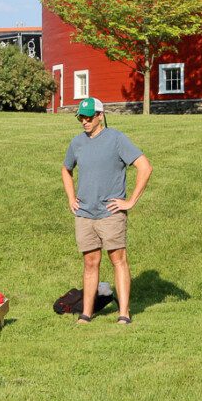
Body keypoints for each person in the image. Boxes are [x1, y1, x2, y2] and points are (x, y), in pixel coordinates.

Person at [61, 97, 152, 325]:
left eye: (89, 117)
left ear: (100, 115)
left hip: (111, 213)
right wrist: (71, 198)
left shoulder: (116, 139)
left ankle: (124, 314)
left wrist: (130, 201)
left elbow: (145, 167)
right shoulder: (77, 143)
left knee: (118, 260)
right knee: (90, 262)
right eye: (81, 117)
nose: (84, 121)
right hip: (85, 214)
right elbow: (66, 169)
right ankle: (86, 314)